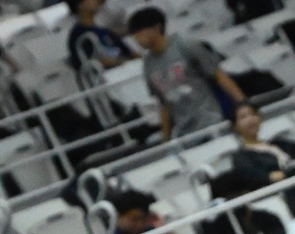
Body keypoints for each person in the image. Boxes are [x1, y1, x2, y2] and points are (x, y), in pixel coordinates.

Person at [129, 6, 246, 141]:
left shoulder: (185, 46)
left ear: (156, 28)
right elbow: (163, 103)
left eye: (139, 32)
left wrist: (243, 104)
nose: (137, 39)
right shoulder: (148, 65)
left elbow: (219, 76)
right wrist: (165, 138)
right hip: (184, 132)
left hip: (211, 120)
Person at [67, 0, 136, 70]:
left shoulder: (103, 31)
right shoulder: (79, 36)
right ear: (80, 5)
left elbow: (128, 52)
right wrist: (117, 62)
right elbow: (85, 64)